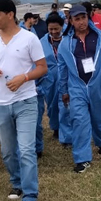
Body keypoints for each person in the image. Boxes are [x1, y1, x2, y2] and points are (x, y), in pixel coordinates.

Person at [0, 0, 48, 201]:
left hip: (26, 101)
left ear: (10, 14)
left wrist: (24, 77)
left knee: (26, 150)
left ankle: (30, 199)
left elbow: (42, 68)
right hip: (0, 104)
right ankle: (16, 183)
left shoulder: (29, 38)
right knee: (8, 152)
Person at [57, 5, 101, 173]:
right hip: (77, 87)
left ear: (88, 17)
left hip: (97, 84)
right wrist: (63, 90)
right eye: (76, 19)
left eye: (83, 17)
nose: (81, 22)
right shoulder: (66, 43)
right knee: (79, 120)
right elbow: (62, 69)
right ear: (70, 21)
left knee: (99, 117)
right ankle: (82, 158)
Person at [38, 14, 72, 148]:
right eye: (50, 29)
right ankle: (56, 128)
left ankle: (67, 137)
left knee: (65, 106)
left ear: (62, 26)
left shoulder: (68, 40)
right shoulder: (41, 42)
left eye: (56, 29)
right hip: (49, 80)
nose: (53, 32)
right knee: (52, 107)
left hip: (66, 78)